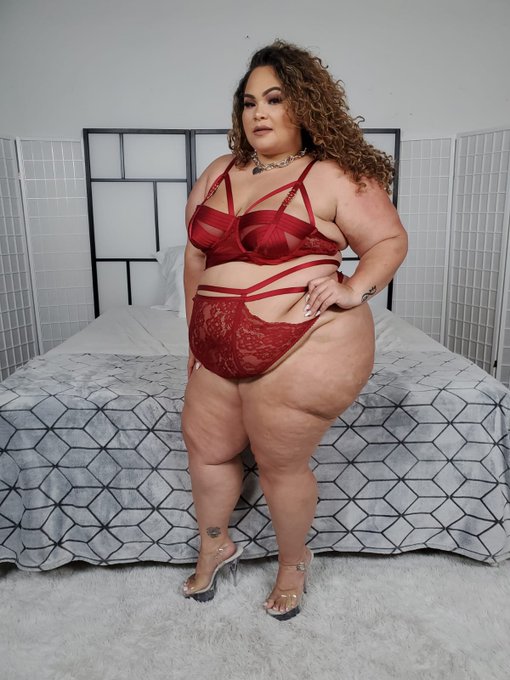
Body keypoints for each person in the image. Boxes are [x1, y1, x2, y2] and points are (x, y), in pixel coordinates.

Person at [181, 39, 407, 621]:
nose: (258, 112)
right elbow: (196, 257)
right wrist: (195, 337)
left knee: (279, 460)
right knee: (206, 450)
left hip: (304, 340)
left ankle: (292, 564)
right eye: (249, 102)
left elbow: (387, 240)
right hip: (216, 343)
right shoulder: (218, 172)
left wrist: (355, 288)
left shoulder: (332, 174)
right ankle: (215, 543)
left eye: (275, 99)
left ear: (304, 105)